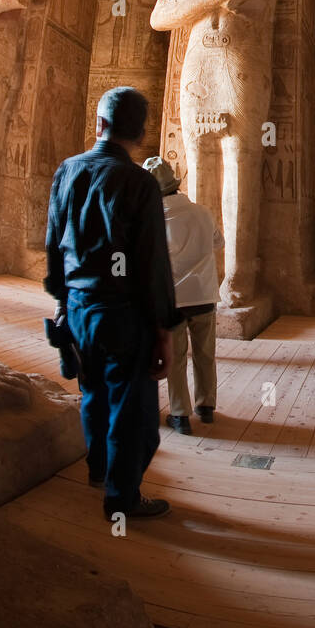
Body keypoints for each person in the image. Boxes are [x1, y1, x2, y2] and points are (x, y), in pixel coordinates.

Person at [44, 87, 179, 520]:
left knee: (93, 395)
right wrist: (163, 332)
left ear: (99, 124)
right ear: (140, 134)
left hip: (79, 308)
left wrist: (63, 303)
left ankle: (98, 469)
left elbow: (54, 247)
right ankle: (121, 500)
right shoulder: (140, 183)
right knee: (133, 412)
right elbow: (152, 264)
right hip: (123, 314)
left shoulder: (67, 171)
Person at [143, 156, 223, 435]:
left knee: (175, 358)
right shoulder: (202, 212)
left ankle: (180, 414)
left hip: (174, 298)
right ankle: (207, 406)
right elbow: (218, 242)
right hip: (204, 293)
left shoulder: (153, 220)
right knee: (205, 354)